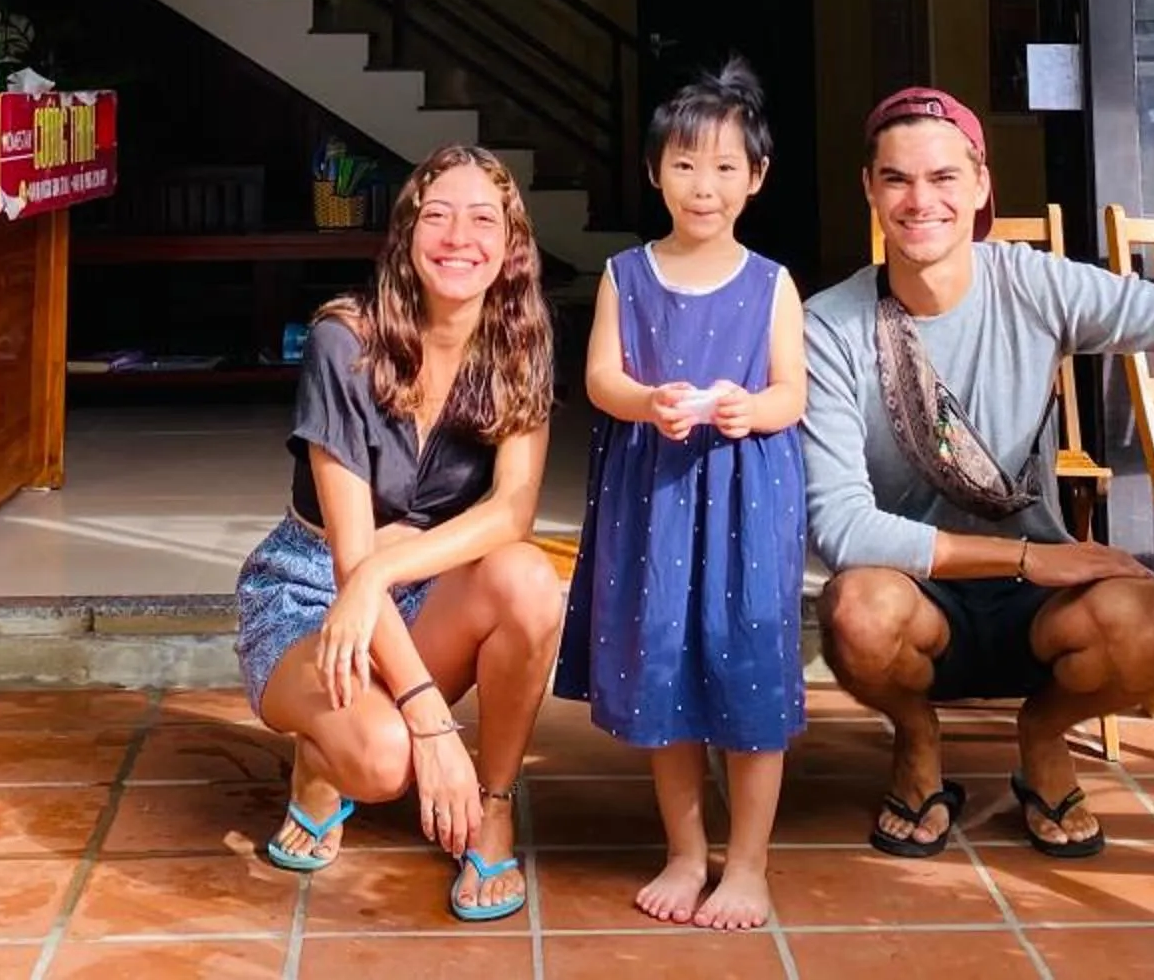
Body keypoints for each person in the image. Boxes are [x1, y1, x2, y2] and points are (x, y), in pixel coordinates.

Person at [802, 86, 1154, 862]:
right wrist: (1031, 557)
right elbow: (842, 528)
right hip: (916, 597)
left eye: (944, 177)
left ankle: (1043, 733)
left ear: (980, 185)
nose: (921, 201)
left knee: (1147, 626)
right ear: (869, 189)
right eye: (898, 179)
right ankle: (915, 734)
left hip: (1038, 612)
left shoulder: (1032, 284)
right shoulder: (827, 326)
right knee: (856, 613)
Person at [234, 144, 563, 923]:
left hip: (418, 583)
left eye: (482, 220)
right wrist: (435, 728)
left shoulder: (520, 339)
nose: (459, 238)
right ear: (408, 234)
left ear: (511, 243)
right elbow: (352, 556)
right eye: (438, 216)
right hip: (314, 588)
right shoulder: (343, 342)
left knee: (526, 577)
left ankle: (494, 809)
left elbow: (512, 511)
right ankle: (322, 762)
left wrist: (389, 567)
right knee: (384, 762)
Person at [555, 60, 809, 930]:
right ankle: (686, 851)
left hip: (746, 500)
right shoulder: (625, 275)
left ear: (756, 177)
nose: (705, 186)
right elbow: (600, 378)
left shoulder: (772, 282)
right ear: (654, 171)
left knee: (749, 669)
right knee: (661, 665)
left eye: (726, 166)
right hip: (655, 498)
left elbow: (792, 394)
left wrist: (749, 410)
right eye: (686, 165)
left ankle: (749, 864)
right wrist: (645, 401)